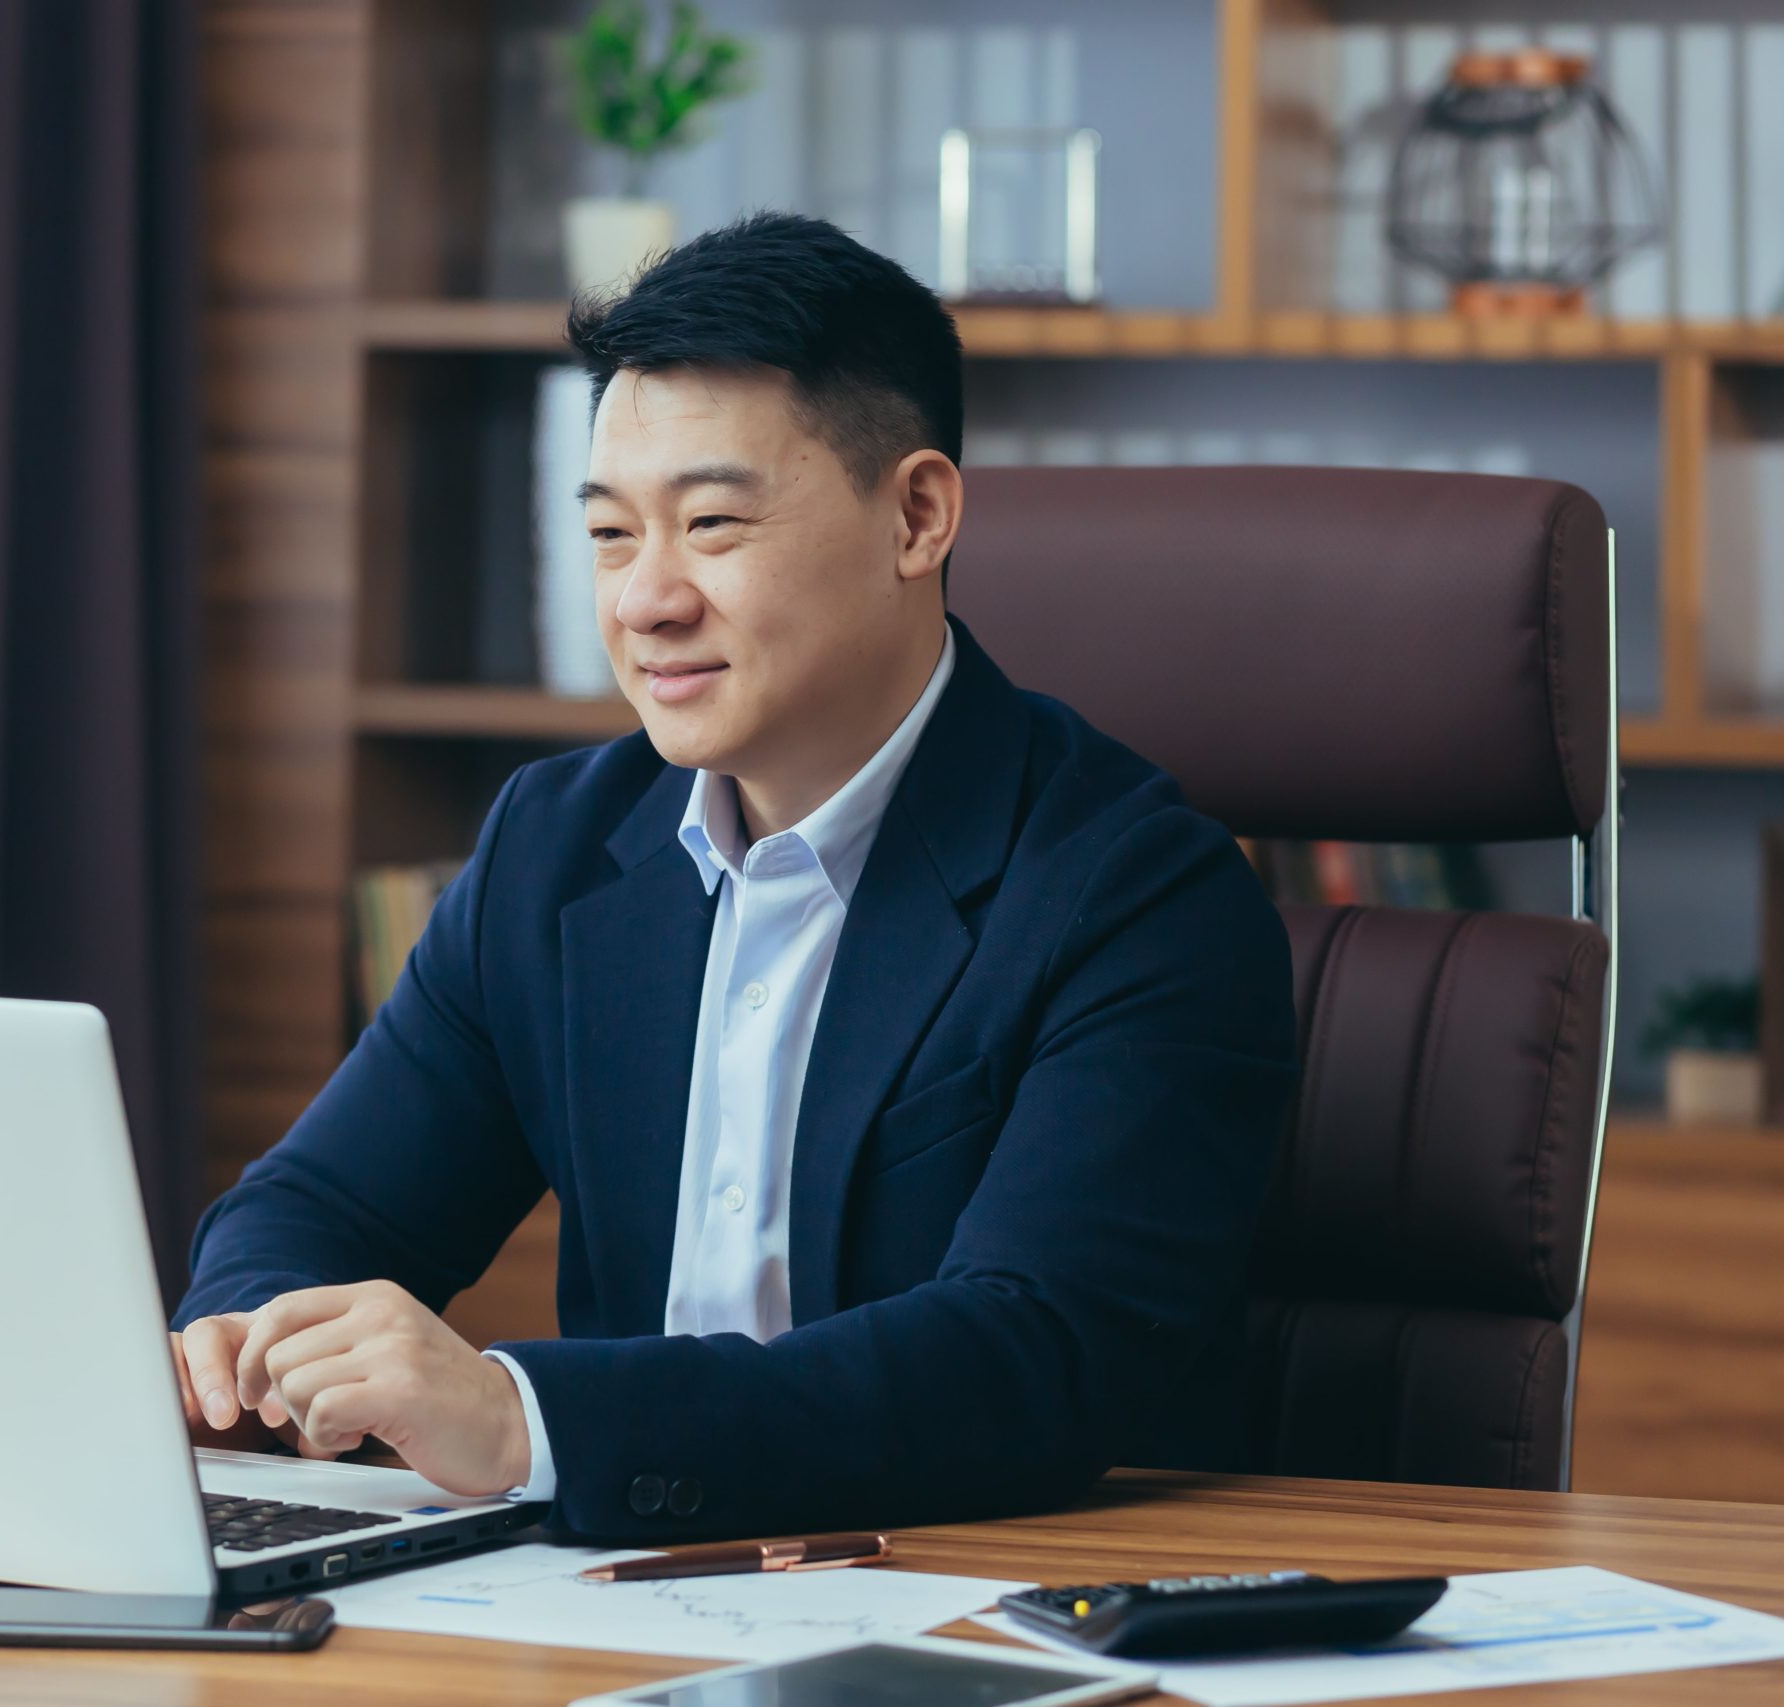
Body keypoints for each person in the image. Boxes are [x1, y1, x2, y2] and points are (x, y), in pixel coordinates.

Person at [170, 211, 1298, 1540]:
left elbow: (1028, 1355)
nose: (646, 600)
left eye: (710, 523)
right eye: (608, 534)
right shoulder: (557, 846)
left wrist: (522, 1420)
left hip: (972, 1600)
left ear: (918, 515)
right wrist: (251, 1335)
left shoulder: (1135, 892)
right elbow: (322, 1203)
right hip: (620, 1598)